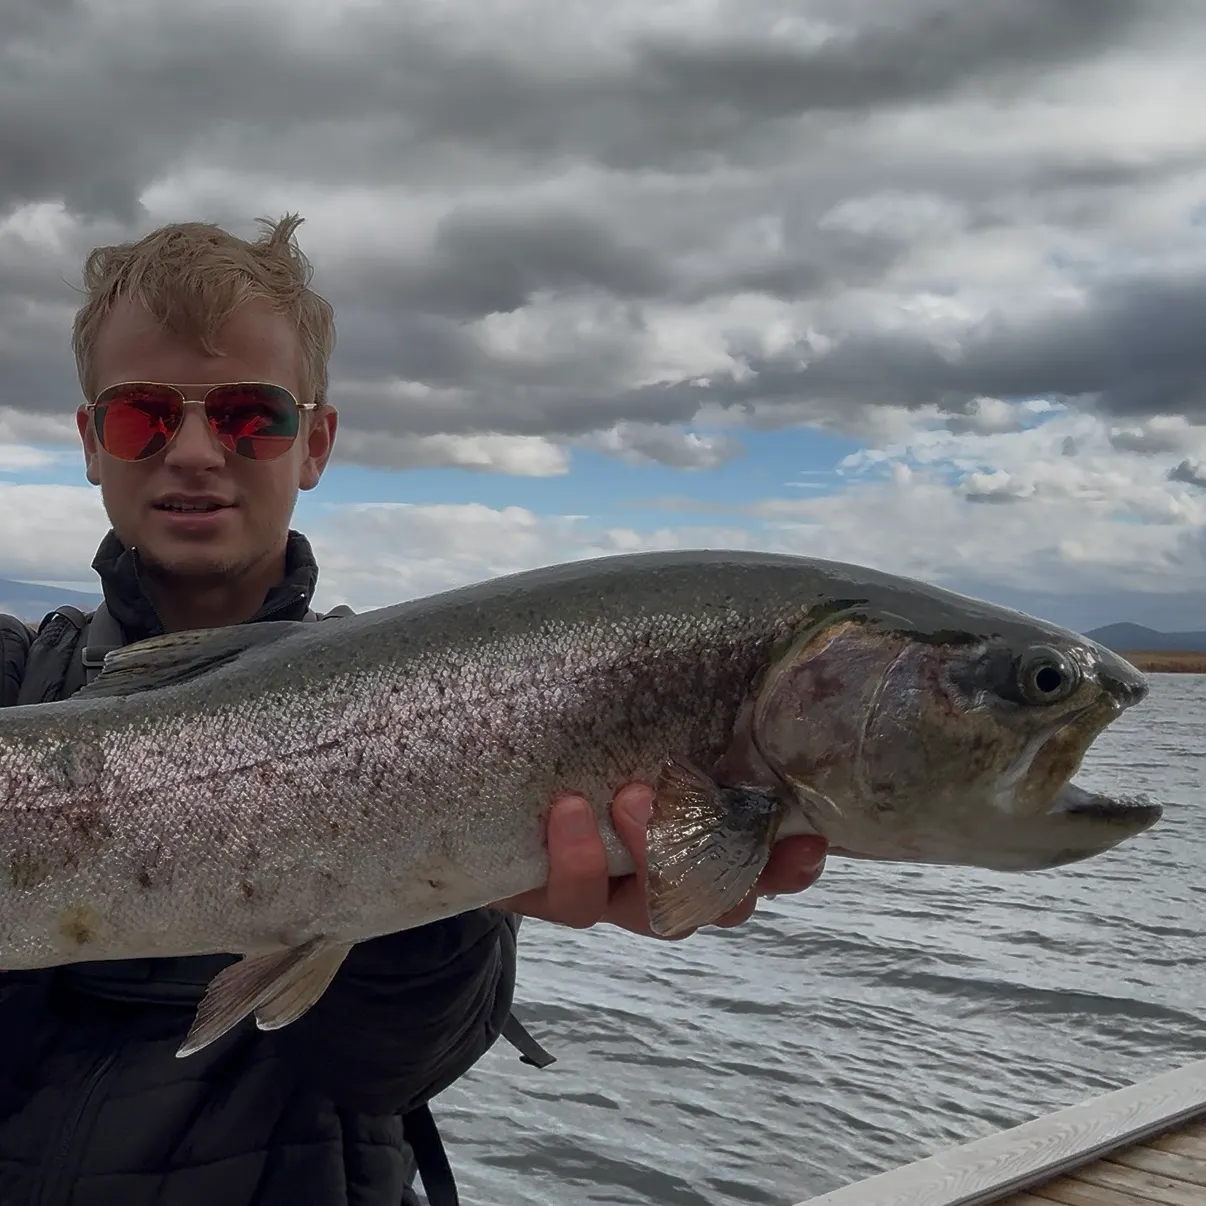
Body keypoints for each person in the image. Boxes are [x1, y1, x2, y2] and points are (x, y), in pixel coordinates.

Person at [0, 215, 829, 1205]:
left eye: (247, 417)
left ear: (314, 443)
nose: (192, 452)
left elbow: (392, 1072)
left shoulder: (451, 706)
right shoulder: (16, 678)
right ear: (92, 442)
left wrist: (441, 892)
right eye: (143, 416)